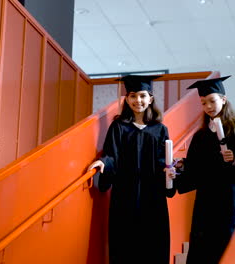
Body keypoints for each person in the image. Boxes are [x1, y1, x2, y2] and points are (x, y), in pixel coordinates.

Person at [87, 74, 177, 264]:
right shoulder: (119, 126)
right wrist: (104, 163)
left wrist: (169, 171)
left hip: (152, 195)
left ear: (150, 99)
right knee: (125, 244)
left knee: (152, 243)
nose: (138, 101)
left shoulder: (160, 129)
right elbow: (112, 154)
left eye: (143, 96)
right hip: (125, 195)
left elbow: (163, 160)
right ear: (126, 99)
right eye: (133, 96)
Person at [175, 76, 235, 264]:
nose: (208, 106)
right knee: (201, 245)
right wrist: (180, 168)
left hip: (227, 198)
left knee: (223, 245)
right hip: (206, 199)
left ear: (223, 99)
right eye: (204, 103)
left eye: (212, 101)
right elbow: (194, 168)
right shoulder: (201, 135)